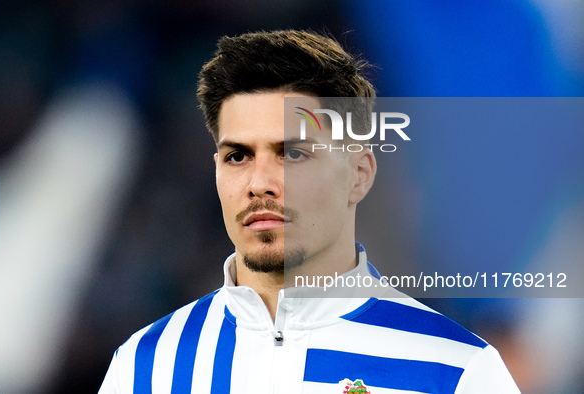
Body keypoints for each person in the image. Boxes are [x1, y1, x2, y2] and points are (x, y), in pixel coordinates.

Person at [98, 30, 520, 393]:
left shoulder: (458, 371)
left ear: (359, 174)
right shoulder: (143, 367)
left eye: (293, 153)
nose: (260, 181)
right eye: (238, 156)